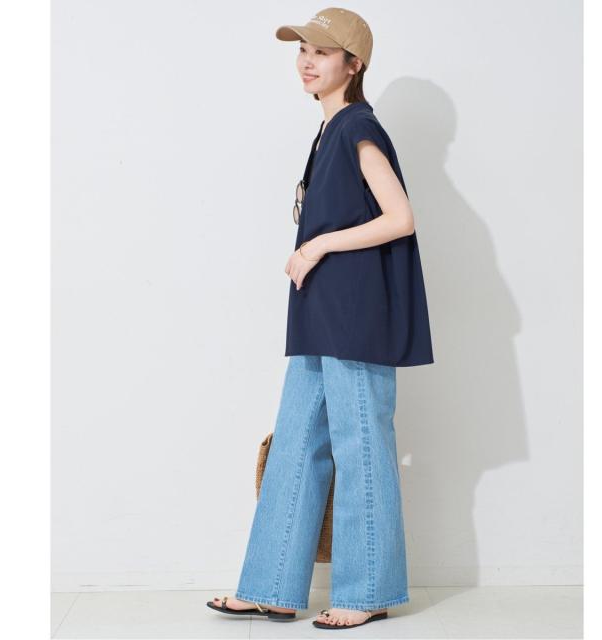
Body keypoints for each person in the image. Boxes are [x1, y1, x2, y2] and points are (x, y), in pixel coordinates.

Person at [207, 6, 434, 631]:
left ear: (353, 65)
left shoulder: (358, 125)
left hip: (355, 314)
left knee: (361, 446)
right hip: (321, 310)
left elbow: (400, 217)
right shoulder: (329, 130)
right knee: (296, 443)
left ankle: (368, 591)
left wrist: (318, 245)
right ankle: (272, 586)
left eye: (322, 52)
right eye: (302, 50)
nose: (307, 61)